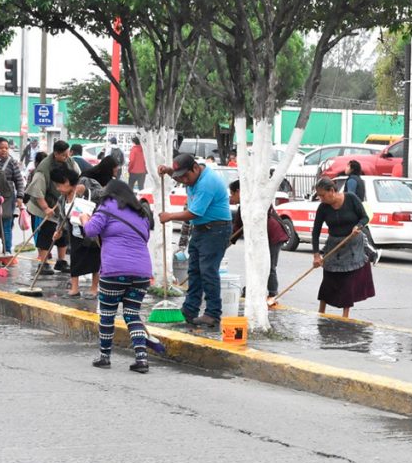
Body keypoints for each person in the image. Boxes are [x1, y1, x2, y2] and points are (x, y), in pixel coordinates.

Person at [78, 180, 155, 373]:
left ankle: (105, 357)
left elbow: (90, 231)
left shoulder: (107, 207)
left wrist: (84, 218)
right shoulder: (141, 212)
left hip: (114, 271)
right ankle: (142, 359)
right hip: (141, 272)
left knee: (107, 314)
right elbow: (144, 237)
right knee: (132, 314)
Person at [158, 154, 233, 328]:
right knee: (194, 271)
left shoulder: (207, 183)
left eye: (186, 176)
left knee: (208, 270)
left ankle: (213, 313)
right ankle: (190, 309)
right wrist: (169, 171)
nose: (184, 181)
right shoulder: (192, 176)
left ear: (195, 168)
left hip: (216, 229)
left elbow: (194, 213)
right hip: (201, 229)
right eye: (180, 177)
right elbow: (179, 175)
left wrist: (169, 216)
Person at [311, 177, 375, 318]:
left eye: (322, 195)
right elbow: (315, 231)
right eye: (319, 196)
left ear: (332, 191)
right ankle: (321, 312)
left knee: (347, 281)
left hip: (352, 244)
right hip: (333, 245)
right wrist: (316, 255)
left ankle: (345, 316)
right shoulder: (323, 208)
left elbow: (364, 218)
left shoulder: (351, 199)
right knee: (328, 279)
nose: (321, 199)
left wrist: (358, 226)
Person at [64, 158, 119, 298]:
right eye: (116, 167)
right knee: (77, 254)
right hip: (80, 219)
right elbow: (81, 195)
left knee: (95, 255)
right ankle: (75, 288)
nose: (117, 170)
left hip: (98, 221)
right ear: (109, 167)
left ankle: (94, 288)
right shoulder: (87, 178)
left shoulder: (109, 180)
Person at [229, 180, 288, 306]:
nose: (231, 197)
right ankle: (251, 290)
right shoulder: (243, 206)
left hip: (273, 236)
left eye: (232, 194)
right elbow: (237, 228)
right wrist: (227, 242)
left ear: (239, 192)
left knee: (269, 265)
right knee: (255, 264)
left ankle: (272, 294)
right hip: (260, 237)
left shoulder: (256, 201)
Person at [26, 141, 80, 274]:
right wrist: (46, 209)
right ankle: (43, 263)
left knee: (64, 233)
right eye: (63, 155)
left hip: (61, 202)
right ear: (56, 154)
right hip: (43, 204)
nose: (67, 157)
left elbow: (77, 176)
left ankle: (61, 261)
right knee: (47, 233)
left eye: (68, 154)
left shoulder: (70, 162)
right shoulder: (44, 167)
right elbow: (38, 191)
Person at [0, 137, 26, 254]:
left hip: (7, 199)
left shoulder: (11, 162)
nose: (4, 150)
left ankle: (7, 251)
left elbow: (19, 180)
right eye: (1, 148)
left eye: (6, 148)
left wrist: (20, 197)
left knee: (6, 225)